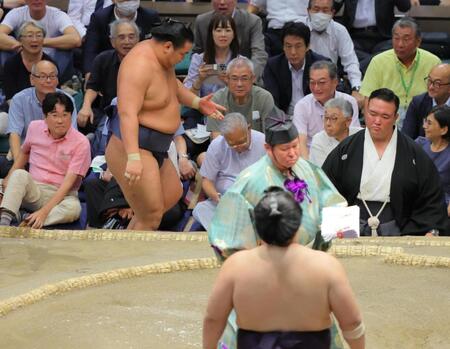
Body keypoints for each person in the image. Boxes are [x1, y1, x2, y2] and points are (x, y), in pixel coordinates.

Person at [204, 187, 365, 349]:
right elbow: (352, 323)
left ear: (257, 225)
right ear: (298, 223)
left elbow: (213, 320)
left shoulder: (235, 267)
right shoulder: (326, 267)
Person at [105, 19, 225, 231]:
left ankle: (127, 243)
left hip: (157, 145)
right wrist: (132, 157)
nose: (183, 59)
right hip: (134, 146)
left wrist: (197, 102)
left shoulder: (161, 58)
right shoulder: (138, 66)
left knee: (170, 195)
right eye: (182, 54)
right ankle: (129, 259)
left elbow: (172, 87)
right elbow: (127, 114)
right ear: (168, 46)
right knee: (151, 215)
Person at [323, 88, 448, 236]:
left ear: (396, 117)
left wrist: (430, 229)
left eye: (385, 116)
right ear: (365, 112)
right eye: (372, 114)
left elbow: (430, 196)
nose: (377, 121)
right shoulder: (346, 149)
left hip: (397, 226)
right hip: (351, 224)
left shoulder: (414, 153)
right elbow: (326, 187)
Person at [0, 92, 90, 228]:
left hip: (62, 194)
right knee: (18, 175)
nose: (60, 121)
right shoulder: (34, 127)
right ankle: (4, 223)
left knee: (74, 209)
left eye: (65, 115)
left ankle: (27, 221)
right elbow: (24, 153)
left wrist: (44, 212)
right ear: (45, 117)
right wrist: (9, 176)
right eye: (55, 115)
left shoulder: (81, 142)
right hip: (34, 189)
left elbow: (68, 184)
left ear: (71, 116)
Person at [0, 60, 78, 178]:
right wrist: (18, 166)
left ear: (57, 80)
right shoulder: (19, 99)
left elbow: (72, 135)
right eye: (42, 76)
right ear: (32, 79)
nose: (48, 80)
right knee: (8, 171)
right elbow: (14, 134)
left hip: (55, 156)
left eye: (52, 76)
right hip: (25, 155)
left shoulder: (67, 100)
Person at [360, 17, 441, 129]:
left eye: (406, 39)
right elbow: (368, 100)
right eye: (396, 38)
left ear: (418, 41)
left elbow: (441, 97)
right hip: (387, 120)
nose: (400, 44)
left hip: (423, 121)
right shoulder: (378, 61)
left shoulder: (433, 62)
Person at [193, 112, 265, 229]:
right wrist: (217, 198)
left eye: (242, 141)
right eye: (233, 144)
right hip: (226, 202)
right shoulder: (217, 146)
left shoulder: (263, 142)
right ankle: (232, 231)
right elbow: (207, 181)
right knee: (200, 210)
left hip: (255, 201)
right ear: (224, 136)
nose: (239, 147)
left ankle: (230, 230)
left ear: (249, 129)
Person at [77, 19, 139, 131]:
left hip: (140, 113)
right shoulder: (103, 59)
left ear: (138, 40)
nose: (127, 41)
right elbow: (92, 87)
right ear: (112, 42)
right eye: (121, 37)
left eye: (131, 37)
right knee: (85, 118)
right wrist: (86, 106)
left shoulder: (147, 62)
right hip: (108, 112)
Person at [293, 60, 360, 159]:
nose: (316, 87)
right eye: (312, 82)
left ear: (335, 82)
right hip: (313, 158)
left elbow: (354, 137)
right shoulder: (302, 106)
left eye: (321, 82)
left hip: (343, 156)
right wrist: (310, 171)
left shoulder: (349, 101)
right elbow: (301, 143)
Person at [263, 21, 329, 115]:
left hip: (315, 117)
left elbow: (327, 98)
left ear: (307, 46)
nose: (293, 52)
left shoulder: (322, 65)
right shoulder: (273, 66)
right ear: (283, 47)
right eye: (288, 46)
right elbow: (273, 102)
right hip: (285, 120)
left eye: (298, 46)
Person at [306, 0, 363, 106]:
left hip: (330, 84)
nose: (320, 14)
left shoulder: (340, 30)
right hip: (305, 81)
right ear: (308, 10)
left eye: (325, 10)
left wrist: (356, 88)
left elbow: (351, 62)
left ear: (332, 12)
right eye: (316, 9)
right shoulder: (300, 29)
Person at [193, 0, 267, 80]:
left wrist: (248, 79)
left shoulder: (252, 21)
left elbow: (259, 54)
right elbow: (197, 52)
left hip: (244, 79)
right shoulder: (202, 21)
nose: (222, 2)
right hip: (209, 79)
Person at [82, 0, 160, 75]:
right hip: (108, 69)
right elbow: (90, 51)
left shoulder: (150, 17)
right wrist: (90, 74)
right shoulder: (99, 18)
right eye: (125, 0)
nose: (129, 2)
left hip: (143, 68)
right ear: (113, 0)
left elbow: (159, 47)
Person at [207, 56, 275, 138]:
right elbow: (216, 139)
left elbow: (270, 136)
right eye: (234, 79)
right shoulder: (217, 99)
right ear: (227, 79)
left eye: (244, 78)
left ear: (253, 78)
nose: (239, 84)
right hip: (226, 148)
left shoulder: (264, 98)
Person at [333, 0, 411, 63]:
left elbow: (405, 7)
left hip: (382, 38)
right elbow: (332, 9)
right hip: (355, 38)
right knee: (344, 51)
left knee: (391, 51)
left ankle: (360, 70)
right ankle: (376, 63)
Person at [0, 0, 81, 57]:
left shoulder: (58, 15)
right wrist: (22, 44)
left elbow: (75, 39)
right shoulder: (16, 13)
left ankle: (56, 80)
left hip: (51, 61)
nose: (37, 0)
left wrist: (37, 42)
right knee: (6, 47)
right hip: (22, 57)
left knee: (65, 52)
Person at [415, 106, 450, 230]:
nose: (424, 126)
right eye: (425, 121)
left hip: (442, 210)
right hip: (416, 204)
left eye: (429, 123)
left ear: (443, 130)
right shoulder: (418, 144)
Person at [2, 21, 53, 102]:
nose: (35, 39)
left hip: (44, 109)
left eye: (39, 35)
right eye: (30, 35)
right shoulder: (11, 64)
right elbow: (10, 98)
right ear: (20, 40)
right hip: (16, 109)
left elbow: (54, 96)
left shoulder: (50, 64)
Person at [403, 63, 450, 140]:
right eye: (429, 81)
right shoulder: (418, 102)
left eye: (437, 83)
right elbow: (407, 138)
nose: (431, 87)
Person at [309, 98, 361, 167]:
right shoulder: (319, 140)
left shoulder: (360, 135)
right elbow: (325, 173)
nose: (328, 123)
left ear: (348, 121)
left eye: (333, 118)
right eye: (326, 117)